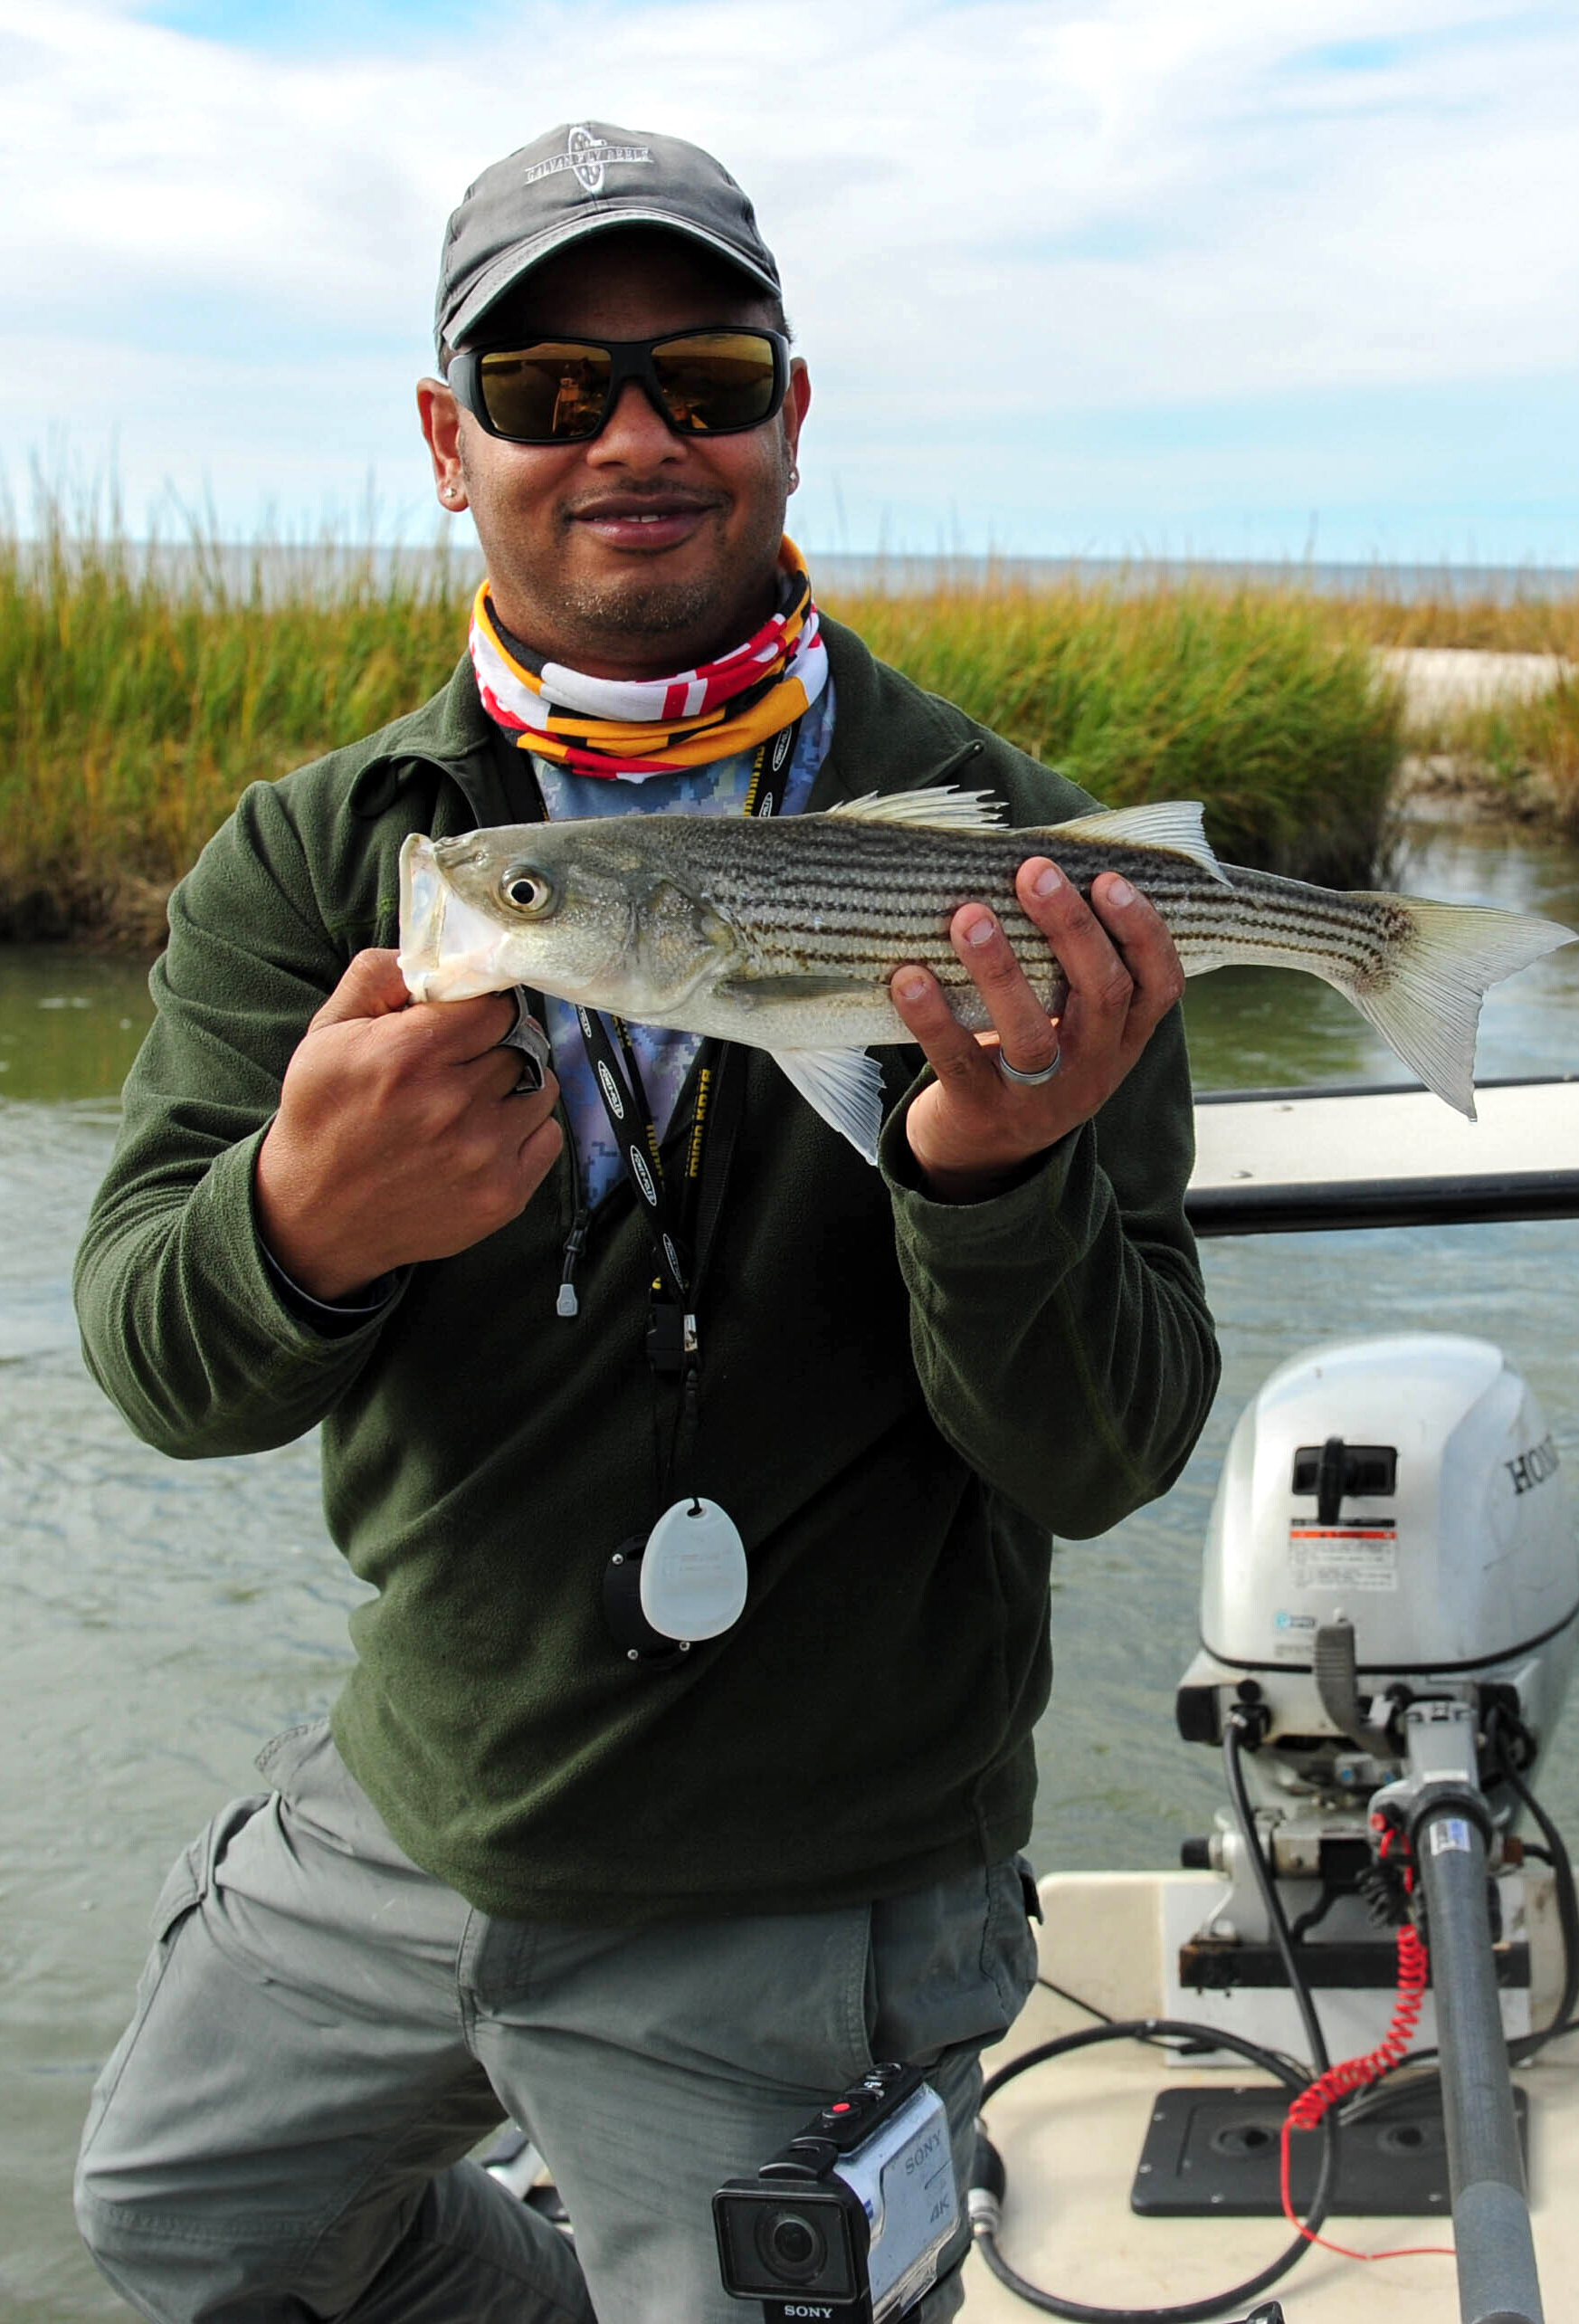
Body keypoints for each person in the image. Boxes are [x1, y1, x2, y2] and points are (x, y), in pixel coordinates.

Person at [70, 120, 1220, 2324]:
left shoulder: (1020, 871)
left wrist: (984, 1180)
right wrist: (301, 1228)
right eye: (543, 389)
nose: (630, 438)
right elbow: (150, 1357)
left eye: (703, 374)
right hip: (420, 1791)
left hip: (800, 1873)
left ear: (793, 419)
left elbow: (1107, 1453)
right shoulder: (331, 851)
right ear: (446, 440)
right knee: (183, 2229)